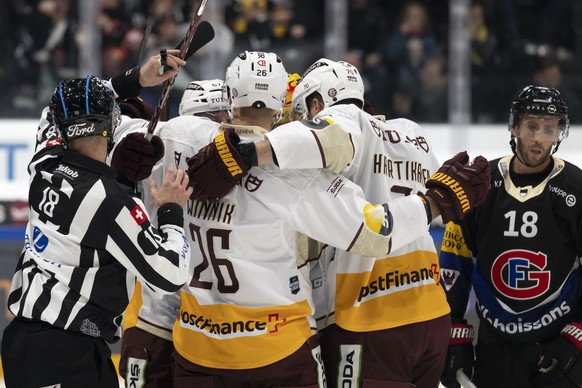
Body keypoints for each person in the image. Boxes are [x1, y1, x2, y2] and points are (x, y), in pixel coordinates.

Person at [186, 57, 491, 387]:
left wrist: (245, 154)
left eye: (303, 113)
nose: (298, 122)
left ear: (318, 103)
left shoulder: (342, 120)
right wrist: (437, 203)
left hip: (367, 315)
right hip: (430, 311)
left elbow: (330, 140)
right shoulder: (411, 133)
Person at [0, 75, 193, 388]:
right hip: (68, 353)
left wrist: (133, 78)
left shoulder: (45, 162)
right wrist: (171, 212)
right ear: (112, 123)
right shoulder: (110, 202)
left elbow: (51, 113)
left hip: (23, 342)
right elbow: (170, 273)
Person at [438, 85, 582, 388]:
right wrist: (452, 331)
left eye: (549, 128)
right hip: (493, 342)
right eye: (531, 126)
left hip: (557, 341)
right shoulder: (480, 185)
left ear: (559, 133)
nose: (539, 138)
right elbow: (454, 261)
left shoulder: (577, 189)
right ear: (515, 126)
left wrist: (577, 336)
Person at [116, 78, 231, 388]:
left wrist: (128, 96)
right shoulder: (227, 151)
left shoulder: (150, 136)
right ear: (221, 113)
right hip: (209, 322)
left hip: (150, 313)